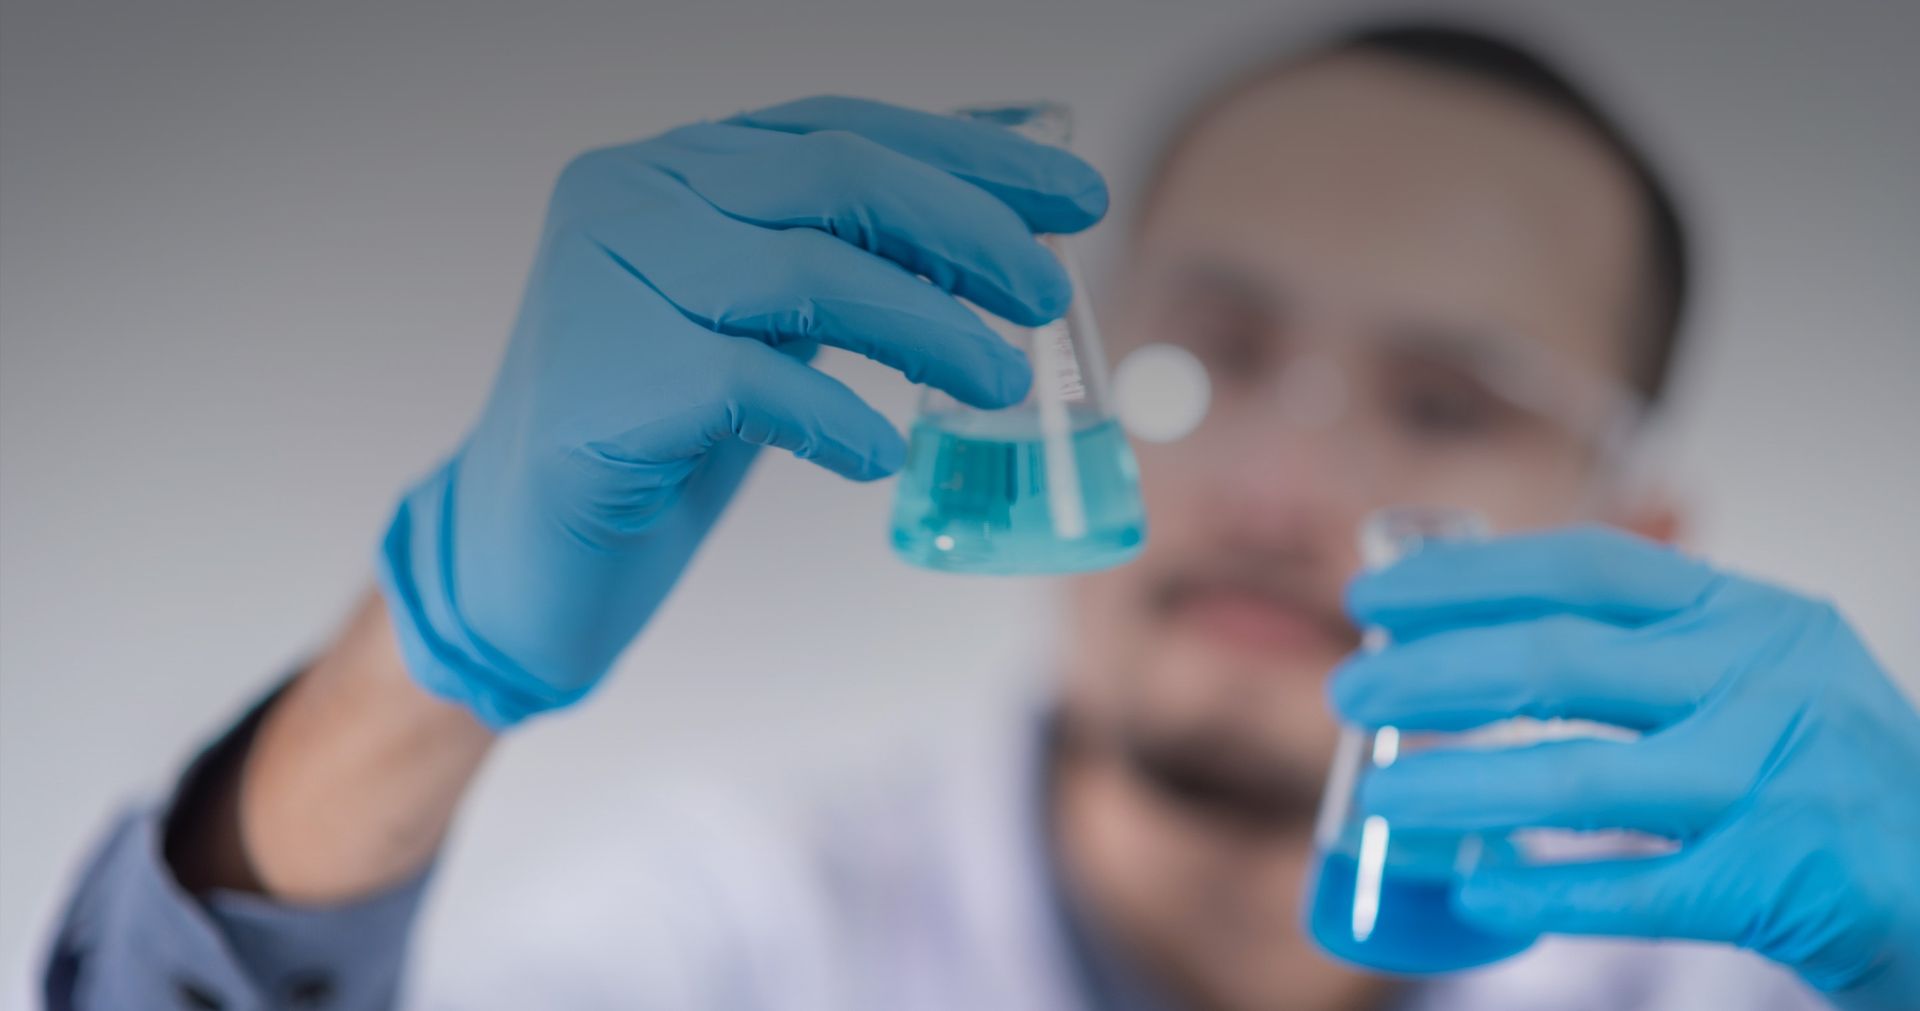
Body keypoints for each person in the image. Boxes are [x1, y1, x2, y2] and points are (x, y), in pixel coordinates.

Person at [41, 19, 1919, 1011]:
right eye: (1210, 351)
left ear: (1642, 536)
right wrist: (427, 658)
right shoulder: (733, 939)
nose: (1281, 492)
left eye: (1448, 403)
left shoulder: (1754, 987)